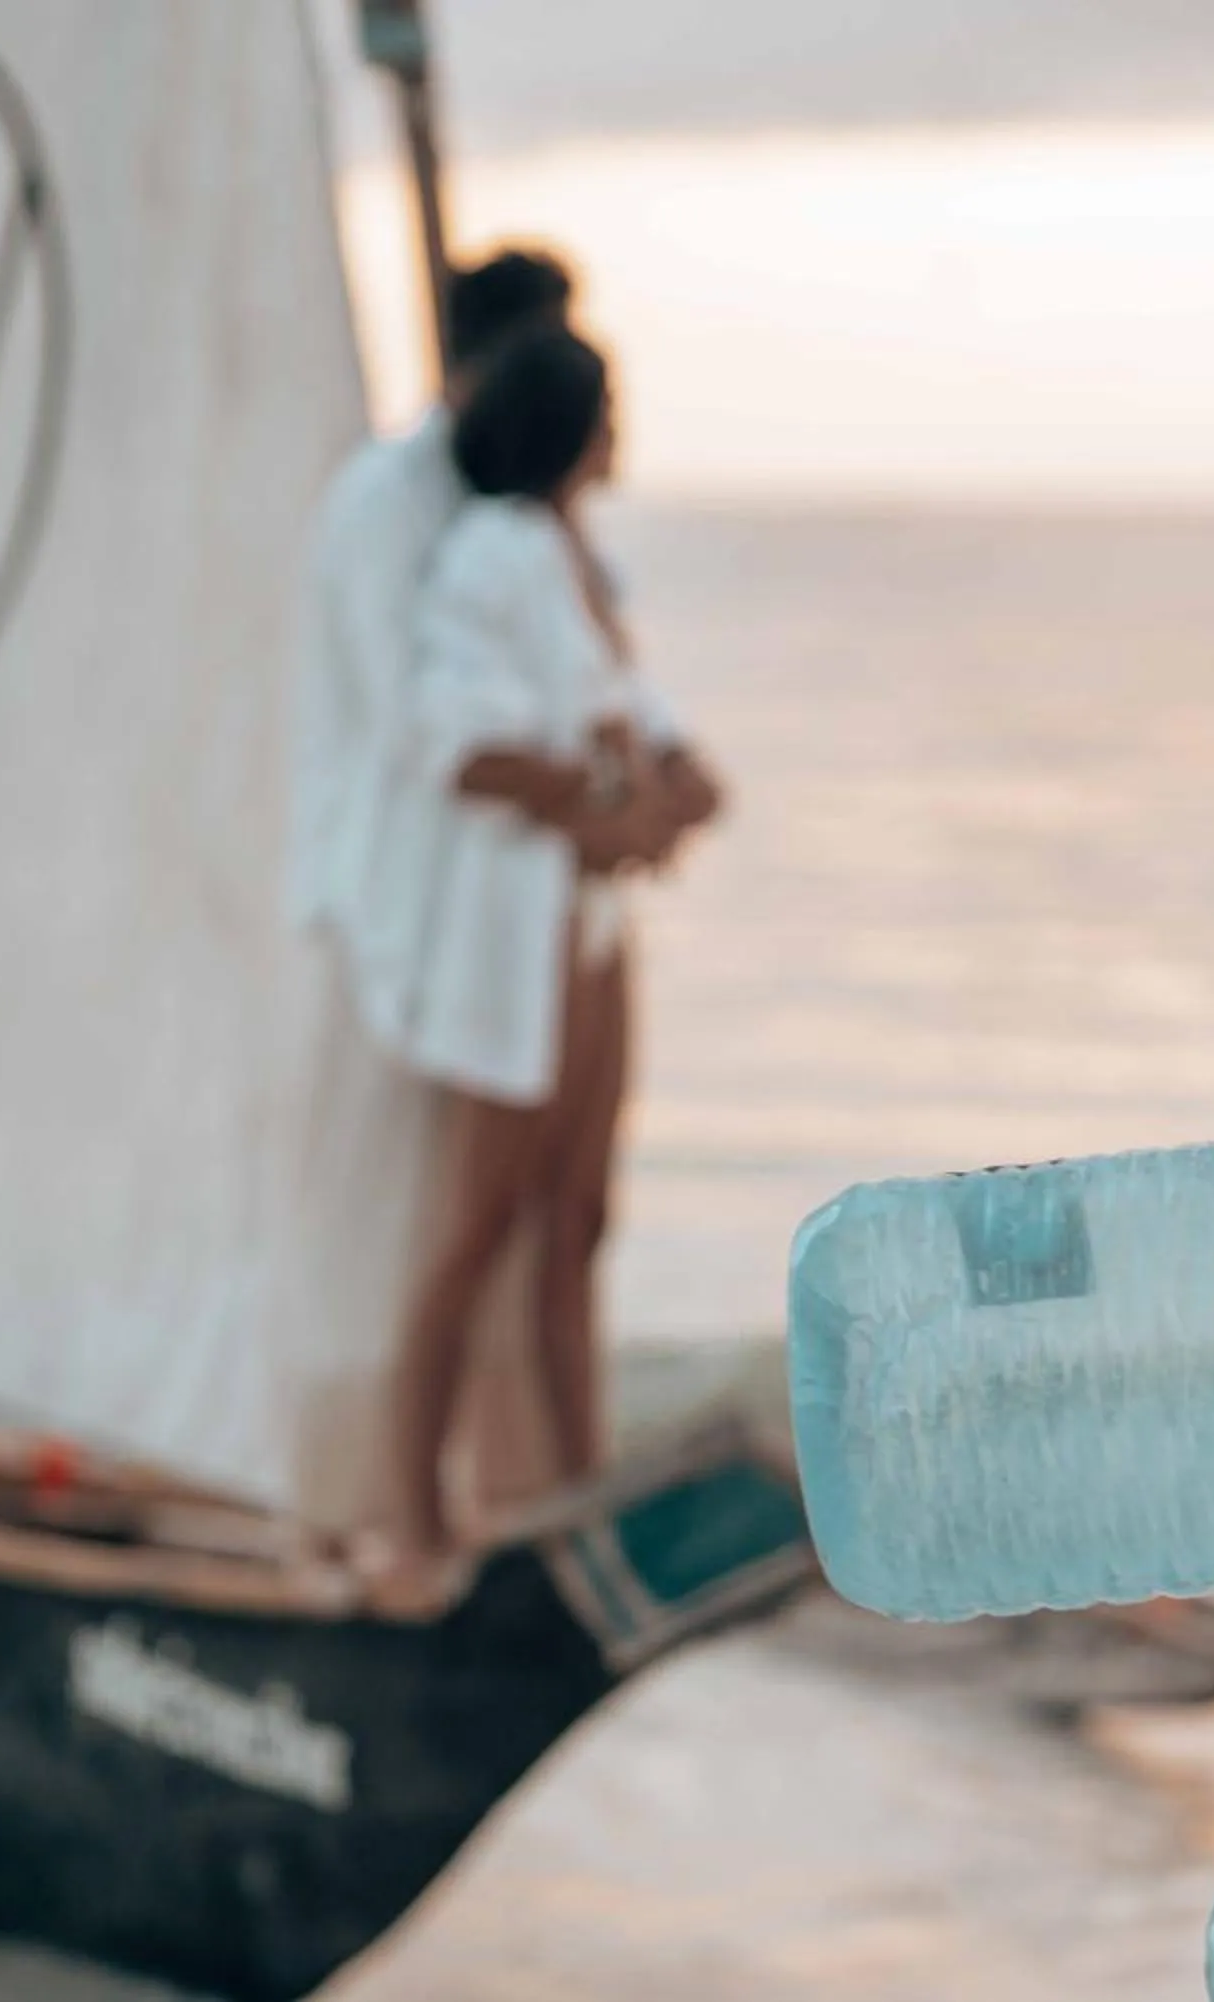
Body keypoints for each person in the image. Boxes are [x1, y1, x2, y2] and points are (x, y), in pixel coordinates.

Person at [362, 320, 721, 1590]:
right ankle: (417, 1505)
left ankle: (583, 1498)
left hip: (589, 928)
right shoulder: (494, 553)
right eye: (609, 404)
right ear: (571, 423)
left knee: (578, 1216)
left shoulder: (578, 561)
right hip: (517, 934)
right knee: (477, 1226)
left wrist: (669, 788)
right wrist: (603, 799)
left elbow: (646, 731)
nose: (623, 425)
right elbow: (460, 743)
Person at [288, 246, 574, 949]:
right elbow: (406, 717)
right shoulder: (384, 496)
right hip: (386, 897)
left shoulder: (514, 504)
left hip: (471, 904)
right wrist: (585, 796)